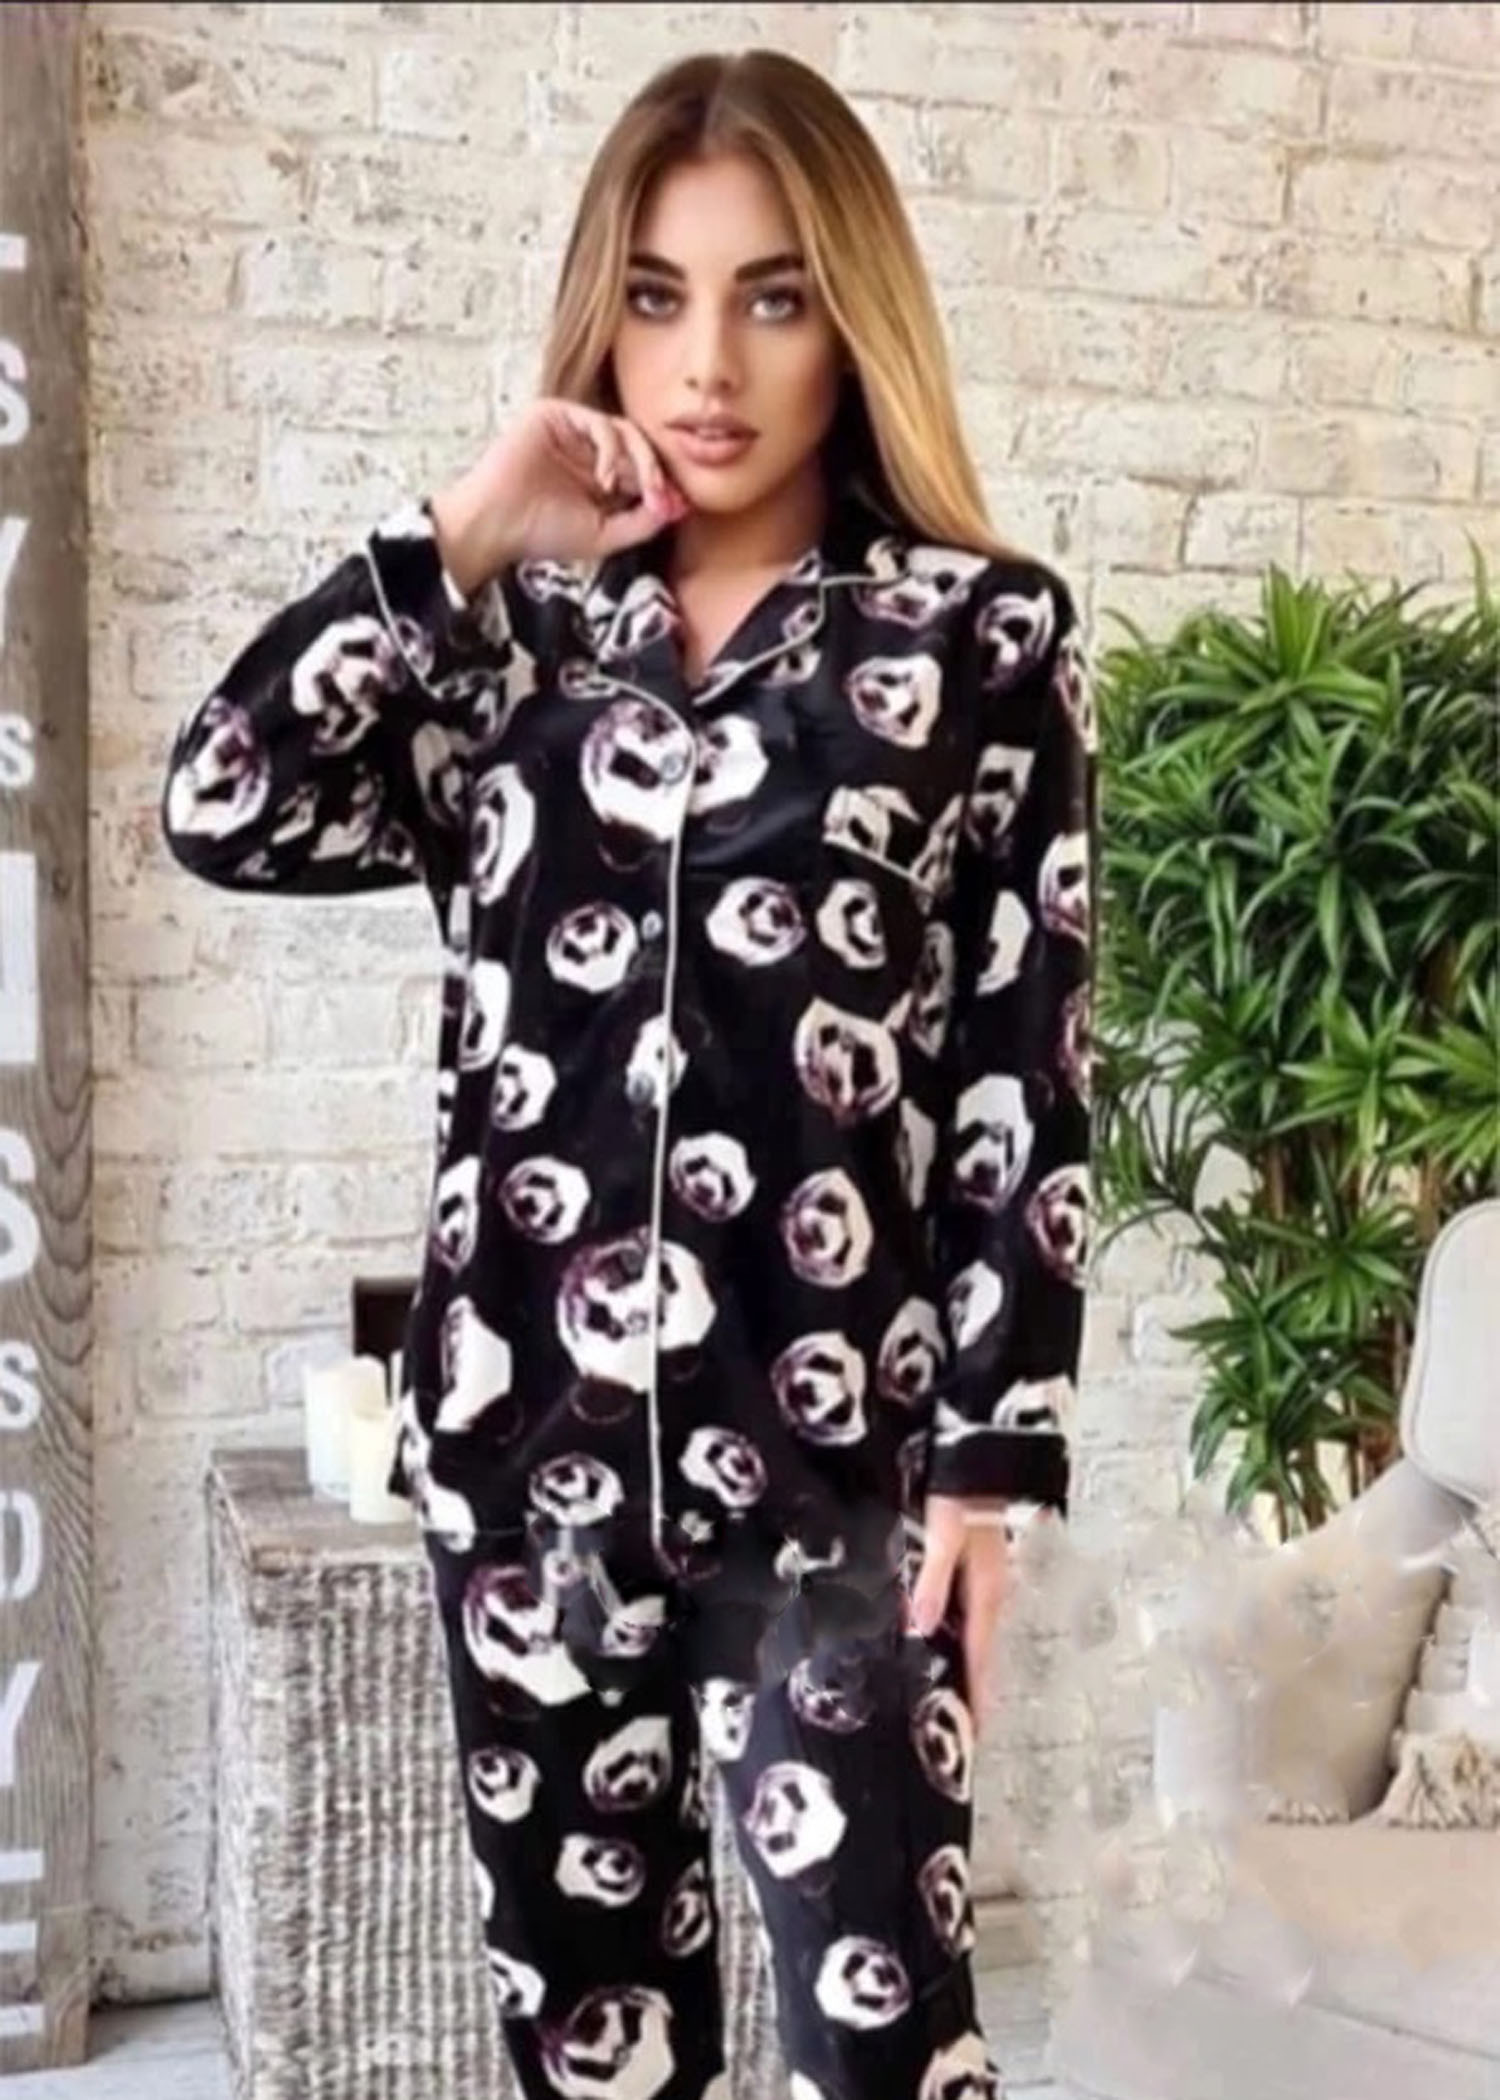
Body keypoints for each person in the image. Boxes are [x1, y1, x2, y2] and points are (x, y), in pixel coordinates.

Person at [161, 44, 1096, 2100]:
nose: (709, 363)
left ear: (852, 318)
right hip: (528, 1471)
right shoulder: (511, 643)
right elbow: (220, 801)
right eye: (660, 296)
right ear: (605, 310)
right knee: (594, 2053)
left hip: (838, 1486)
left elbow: (1022, 1077)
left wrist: (986, 1465)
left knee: (886, 2049)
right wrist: (466, 526)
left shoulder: (979, 645)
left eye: (775, 296)